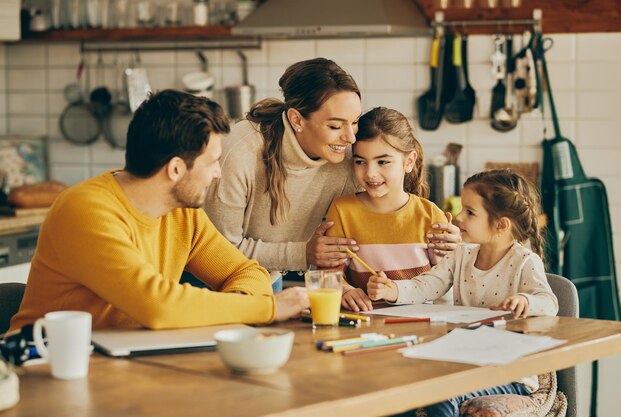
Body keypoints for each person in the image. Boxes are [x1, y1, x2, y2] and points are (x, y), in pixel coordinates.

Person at [9, 90, 308, 333]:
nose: (217, 173)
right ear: (176, 169)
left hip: (129, 362)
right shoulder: (85, 210)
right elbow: (158, 305)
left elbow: (245, 271)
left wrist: (238, 308)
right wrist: (270, 308)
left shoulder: (181, 211)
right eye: (211, 162)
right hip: (45, 365)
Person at [205, 58, 460, 291]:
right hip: (206, 278)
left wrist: (448, 241)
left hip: (264, 278)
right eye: (335, 126)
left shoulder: (351, 158)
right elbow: (217, 250)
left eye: (355, 121)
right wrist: (303, 254)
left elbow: (386, 221)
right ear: (296, 120)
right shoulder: (240, 152)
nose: (350, 138)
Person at [368, 169, 559, 417]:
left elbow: (549, 303)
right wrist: (392, 289)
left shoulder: (524, 262)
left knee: (442, 392)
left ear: (501, 225)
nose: (458, 217)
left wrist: (526, 300)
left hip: (510, 372)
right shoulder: (461, 254)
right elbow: (426, 285)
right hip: (466, 364)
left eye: (470, 212)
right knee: (400, 388)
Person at [324, 107, 448, 312]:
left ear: (408, 161)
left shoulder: (431, 215)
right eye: (360, 162)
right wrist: (345, 290)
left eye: (383, 162)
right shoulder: (342, 210)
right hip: (363, 322)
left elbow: (446, 279)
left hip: (422, 322)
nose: (371, 173)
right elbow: (329, 273)